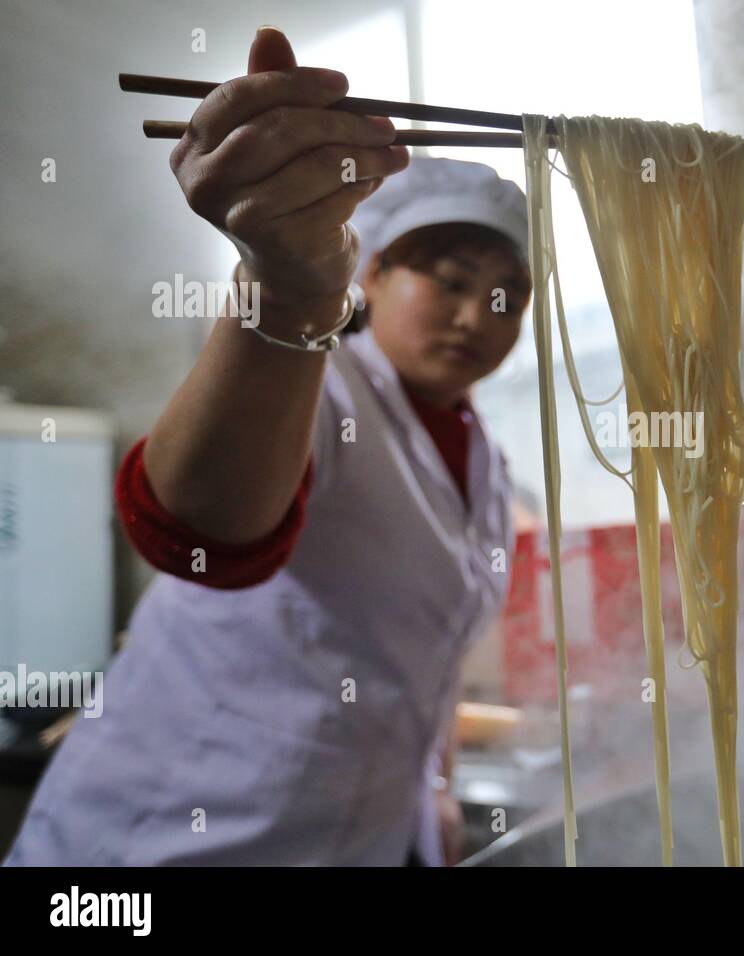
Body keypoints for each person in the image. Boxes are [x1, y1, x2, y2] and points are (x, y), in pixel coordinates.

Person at [4, 26, 530, 866]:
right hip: (169, 839)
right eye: (451, 279)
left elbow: (422, 664)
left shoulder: (488, 464)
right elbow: (198, 532)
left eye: (508, 296)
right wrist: (287, 291)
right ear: (372, 277)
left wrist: (433, 784)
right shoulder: (320, 381)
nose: (478, 315)